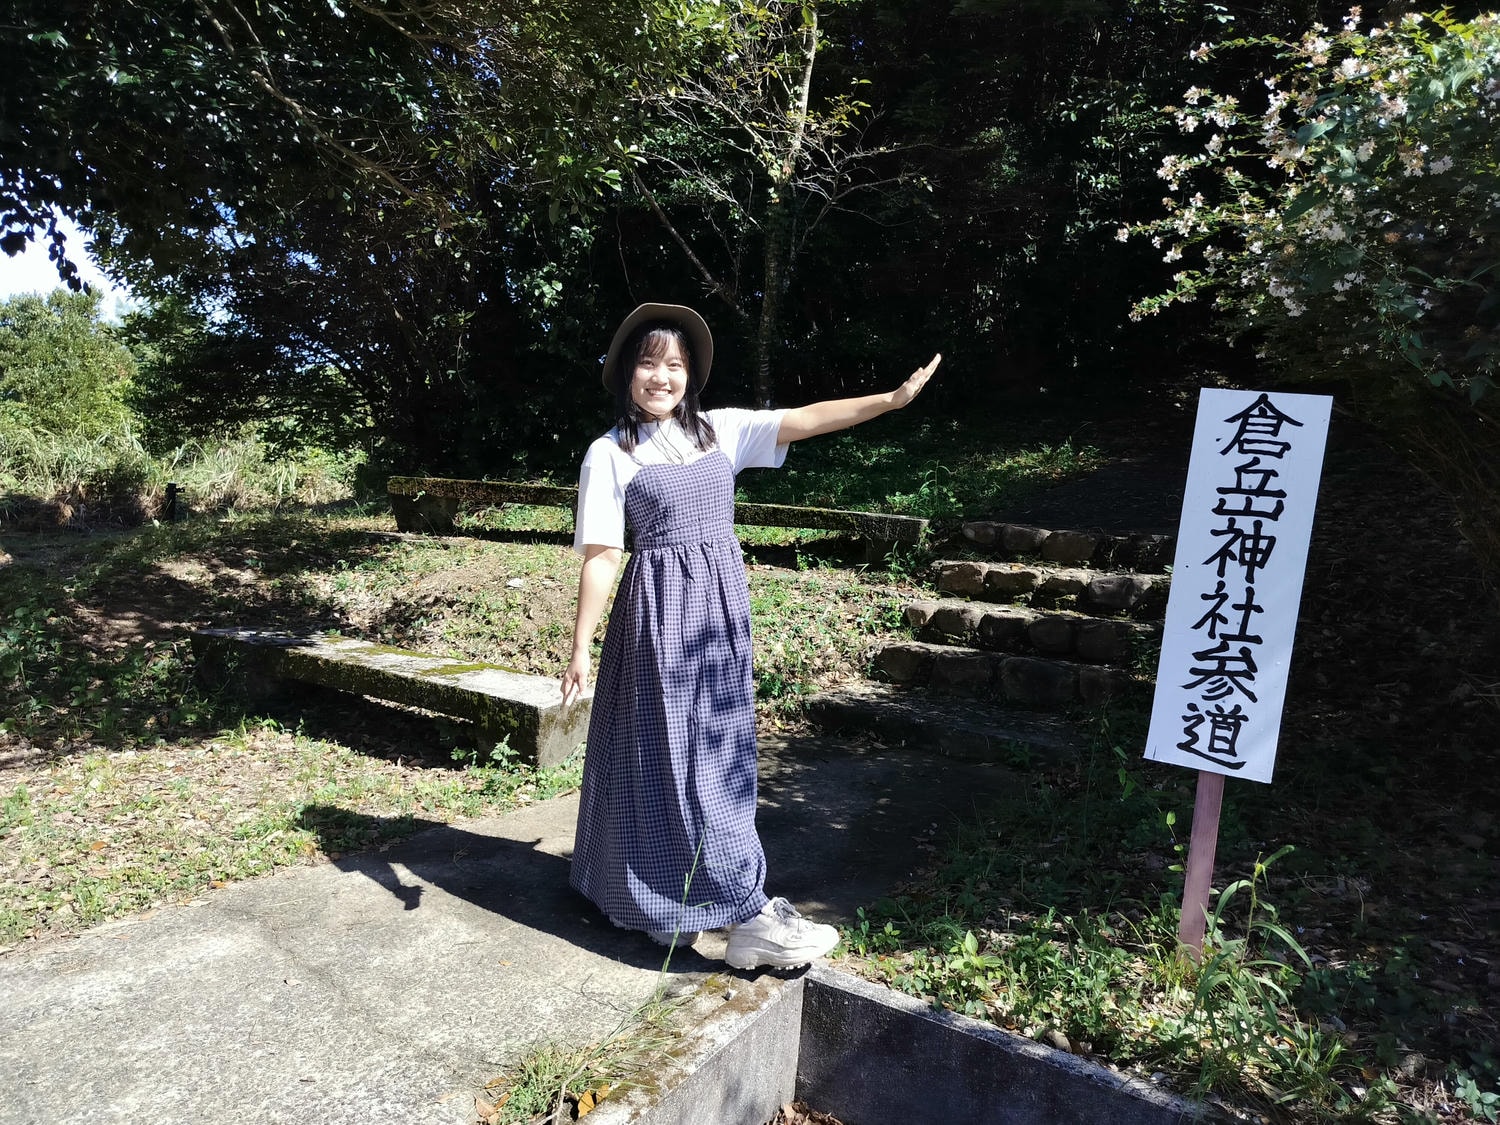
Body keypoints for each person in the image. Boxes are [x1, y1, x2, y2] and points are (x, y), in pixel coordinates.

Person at [560, 302, 939, 970]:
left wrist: (892, 399)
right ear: (625, 373)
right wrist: (579, 648)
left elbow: (809, 416)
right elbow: (600, 555)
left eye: (673, 365)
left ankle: (684, 902)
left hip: (720, 623)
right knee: (665, 759)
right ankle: (743, 914)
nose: (660, 377)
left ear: (691, 375)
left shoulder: (721, 431)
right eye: (648, 363)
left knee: (720, 755)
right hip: (656, 625)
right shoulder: (609, 452)